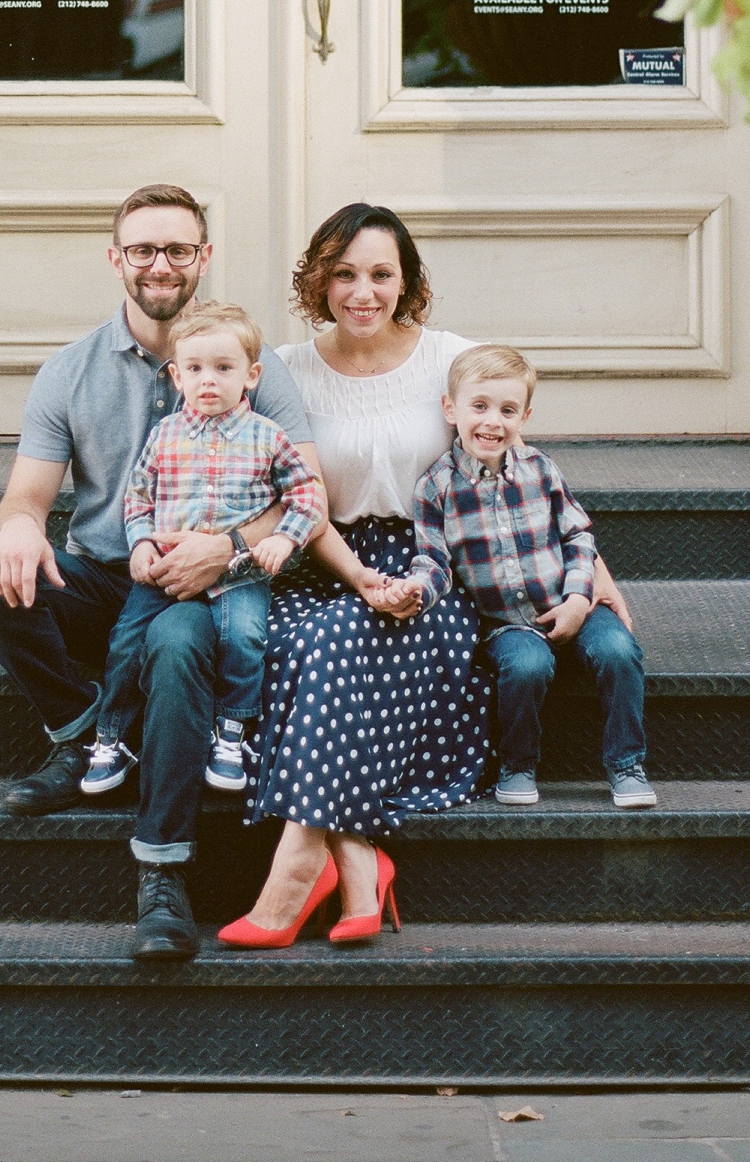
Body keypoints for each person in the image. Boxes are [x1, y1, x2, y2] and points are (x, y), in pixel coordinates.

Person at [218, 204, 639, 951]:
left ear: (406, 279)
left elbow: (520, 471)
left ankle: (298, 869)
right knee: (306, 638)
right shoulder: (287, 369)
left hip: (432, 569)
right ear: (318, 280)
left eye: (382, 273)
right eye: (343, 273)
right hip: (328, 560)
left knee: (333, 645)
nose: (362, 291)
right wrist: (351, 576)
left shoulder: (451, 357)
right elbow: (293, 495)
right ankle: (352, 862)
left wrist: (593, 573)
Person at [0, 184, 318, 961]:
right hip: (109, 572)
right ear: (117, 258)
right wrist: (20, 525)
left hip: (210, 582)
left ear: (204, 256)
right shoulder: (71, 370)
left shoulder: (250, 364)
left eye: (179, 249)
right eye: (145, 249)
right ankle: (82, 734)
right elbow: (26, 492)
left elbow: (310, 496)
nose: (162, 264)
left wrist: (223, 548)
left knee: (180, 647)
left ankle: (162, 873)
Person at [81, 301, 325, 798]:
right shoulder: (164, 435)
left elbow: (307, 495)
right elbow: (139, 498)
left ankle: (232, 733)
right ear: (176, 376)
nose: (208, 380)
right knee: (127, 641)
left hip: (240, 573)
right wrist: (141, 542)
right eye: (194, 369)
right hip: (167, 569)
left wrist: (283, 537)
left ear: (251, 375)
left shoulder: (268, 437)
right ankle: (110, 736)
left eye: (223, 368)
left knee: (244, 638)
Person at [396, 343, 656, 809]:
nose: (493, 421)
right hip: (506, 624)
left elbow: (578, 536)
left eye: (507, 410)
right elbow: (433, 561)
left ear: (525, 416)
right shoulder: (436, 487)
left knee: (619, 651)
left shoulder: (540, 468)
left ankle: (627, 765)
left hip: (570, 599)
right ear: (450, 409)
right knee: (526, 667)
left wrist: (579, 598)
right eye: (479, 406)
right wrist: (417, 588)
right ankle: (518, 766)